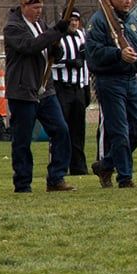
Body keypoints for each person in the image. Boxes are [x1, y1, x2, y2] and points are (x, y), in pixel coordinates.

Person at [2, 0, 75, 193]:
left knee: (61, 130)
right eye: (35, 8)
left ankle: (56, 177)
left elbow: (47, 48)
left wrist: (56, 49)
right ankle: (23, 182)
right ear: (24, 6)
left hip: (45, 89)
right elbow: (30, 46)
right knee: (23, 139)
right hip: (23, 90)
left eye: (41, 8)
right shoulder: (13, 27)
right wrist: (55, 32)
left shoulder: (41, 25)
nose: (38, 12)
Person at [86, 0, 137, 189]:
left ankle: (106, 164)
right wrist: (118, 54)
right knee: (120, 131)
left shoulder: (132, 21)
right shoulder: (99, 21)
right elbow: (93, 54)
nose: (128, 1)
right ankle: (125, 177)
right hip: (110, 80)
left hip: (131, 81)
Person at [51, 10, 91, 177]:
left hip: (78, 87)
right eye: (71, 20)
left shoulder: (82, 36)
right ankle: (59, 165)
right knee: (62, 129)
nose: (74, 23)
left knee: (78, 129)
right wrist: (68, 63)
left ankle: (78, 166)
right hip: (62, 87)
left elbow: (85, 63)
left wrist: (87, 86)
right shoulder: (56, 36)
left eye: (76, 20)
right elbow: (50, 63)